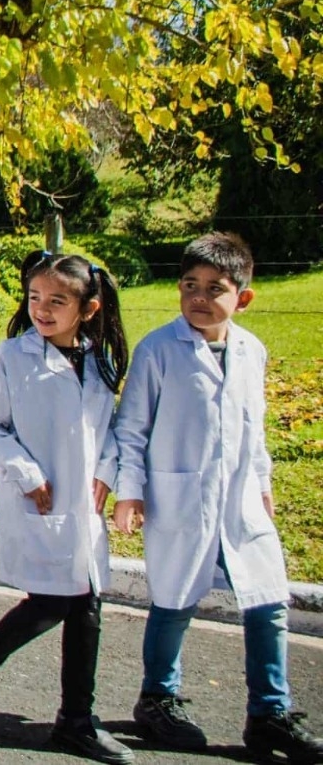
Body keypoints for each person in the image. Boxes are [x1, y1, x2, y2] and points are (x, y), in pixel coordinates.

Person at [113, 233, 323, 763]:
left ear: (243, 297)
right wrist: (129, 492)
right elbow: (132, 428)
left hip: (241, 501)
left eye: (215, 288)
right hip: (180, 495)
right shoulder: (159, 349)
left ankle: (269, 714)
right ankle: (157, 698)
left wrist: (264, 485)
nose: (199, 298)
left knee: (268, 603)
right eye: (190, 285)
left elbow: (254, 428)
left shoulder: (252, 351)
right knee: (174, 600)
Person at [0, 252, 133, 764]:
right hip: (41, 498)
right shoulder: (15, 356)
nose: (42, 310)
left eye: (57, 301)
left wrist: (107, 472)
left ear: (88, 309)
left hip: (84, 504)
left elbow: (109, 430)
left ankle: (75, 721)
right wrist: (27, 474)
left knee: (86, 604)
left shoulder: (98, 361)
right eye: (34, 298)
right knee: (53, 601)